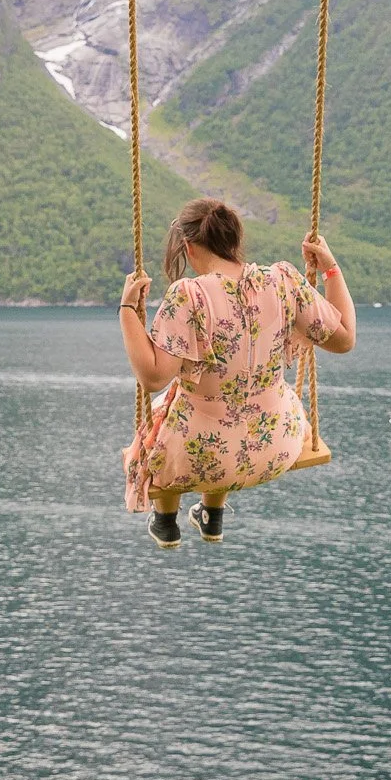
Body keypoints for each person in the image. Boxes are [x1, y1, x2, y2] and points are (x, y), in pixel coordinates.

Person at [117, 196, 356, 548]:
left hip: (201, 454)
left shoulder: (188, 295)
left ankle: (166, 518)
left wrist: (126, 310)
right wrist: (331, 269)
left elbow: (153, 378)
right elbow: (344, 339)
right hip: (275, 445)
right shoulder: (283, 281)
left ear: (188, 246)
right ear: (233, 242)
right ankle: (212, 513)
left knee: (164, 419)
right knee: (234, 411)